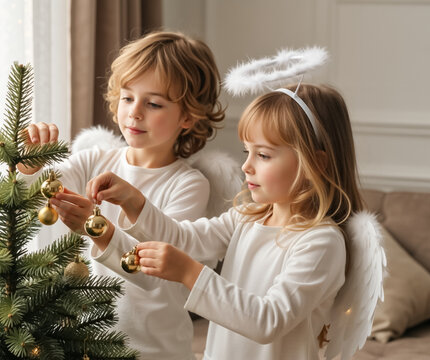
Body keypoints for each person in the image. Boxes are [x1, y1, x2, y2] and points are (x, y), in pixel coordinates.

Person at [86, 83, 366, 359]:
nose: (247, 166)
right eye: (248, 152)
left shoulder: (321, 242)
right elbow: (184, 239)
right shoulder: (246, 217)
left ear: (316, 163)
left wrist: (188, 272)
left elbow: (268, 320)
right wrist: (134, 201)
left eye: (264, 155)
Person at [18, 31, 225, 360]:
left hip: (154, 349)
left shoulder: (188, 185)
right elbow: (36, 197)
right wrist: (30, 166)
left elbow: (160, 274)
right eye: (128, 98)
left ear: (188, 116)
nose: (135, 112)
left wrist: (95, 227)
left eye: (154, 103)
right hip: (86, 340)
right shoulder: (94, 161)